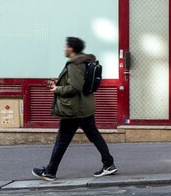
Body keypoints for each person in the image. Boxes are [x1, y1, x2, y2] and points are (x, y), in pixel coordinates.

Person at [31, 37, 117, 181]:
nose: (63, 48)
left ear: (71, 48)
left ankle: (50, 171)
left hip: (74, 109)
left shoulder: (74, 64)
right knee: (94, 136)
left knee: (62, 141)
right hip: (84, 107)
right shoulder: (84, 61)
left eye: (65, 46)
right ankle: (108, 164)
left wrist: (57, 89)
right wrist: (61, 82)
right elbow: (79, 82)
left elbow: (75, 87)